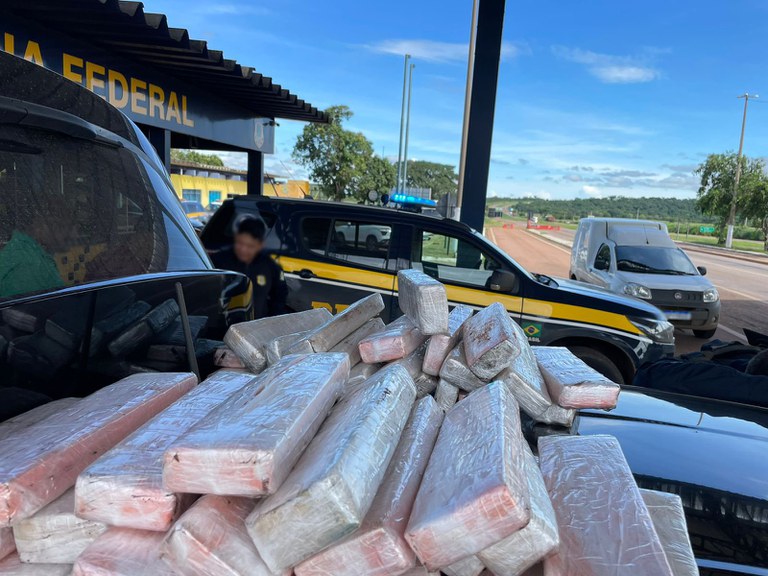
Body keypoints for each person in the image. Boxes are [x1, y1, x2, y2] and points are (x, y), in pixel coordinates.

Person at [212, 218, 287, 320]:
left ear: (260, 245)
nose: (243, 249)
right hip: (224, 324)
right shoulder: (219, 261)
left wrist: (272, 320)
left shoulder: (270, 266)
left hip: (256, 325)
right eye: (240, 243)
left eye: (250, 246)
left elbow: (280, 296)